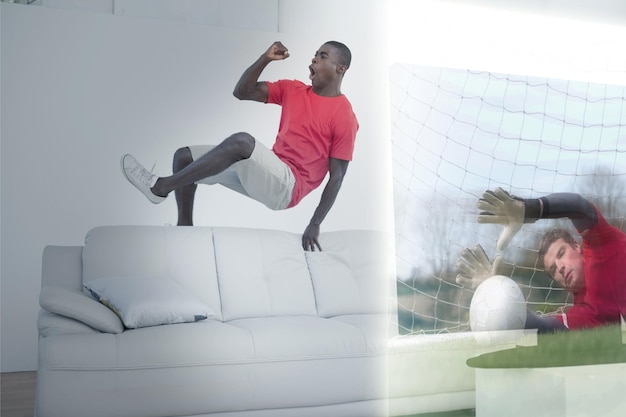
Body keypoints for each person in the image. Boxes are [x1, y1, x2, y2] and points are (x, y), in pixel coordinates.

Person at [121, 41, 358, 252]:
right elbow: (241, 92)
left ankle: (160, 187)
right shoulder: (293, 89)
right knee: (184, 157)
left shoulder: (344, 116)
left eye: (323, 55)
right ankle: (185, 231)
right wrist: (265, 58)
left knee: (242, 142)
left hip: (288, 186)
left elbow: (336, 177)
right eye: (315, 54)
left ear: (341, 68)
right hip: (269, 170)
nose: (314, 58)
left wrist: (314, 223)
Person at [457, 188, 626, 332]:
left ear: (576, 246)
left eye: (561, 253)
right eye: (553, 269)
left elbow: (579, 207)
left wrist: (528, 209)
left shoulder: (601, 244)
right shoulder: (585, 313)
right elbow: (540, 326)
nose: (560, 267)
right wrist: (494, 294)